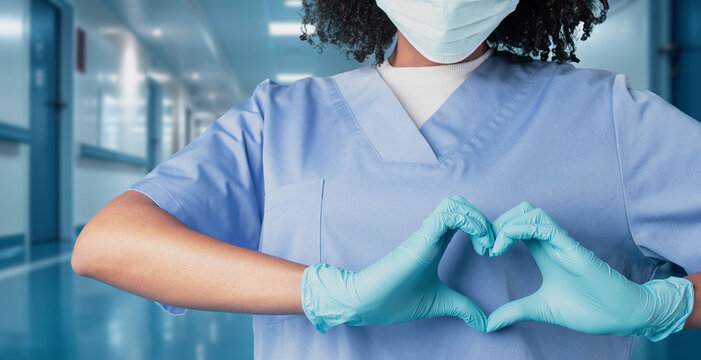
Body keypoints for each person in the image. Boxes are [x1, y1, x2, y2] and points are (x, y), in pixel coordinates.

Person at [71, 0, 701, 358]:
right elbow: (109, 243)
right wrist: (323, 292)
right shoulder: (283, 119)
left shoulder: (611, 120)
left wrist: (665, 305)